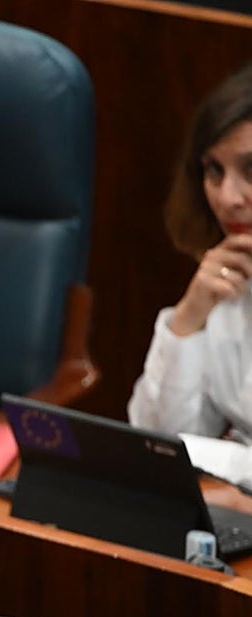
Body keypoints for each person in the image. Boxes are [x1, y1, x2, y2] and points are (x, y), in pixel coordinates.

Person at [129, 64, 252, 490]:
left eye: (250, 171)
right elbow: (155, 446)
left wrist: (228, 468)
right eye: (214, 170)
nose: (227, 197)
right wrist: (189, 317)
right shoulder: (228, 279)